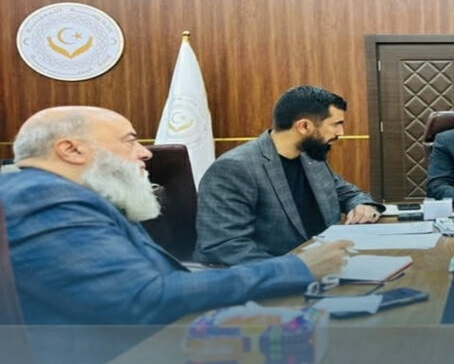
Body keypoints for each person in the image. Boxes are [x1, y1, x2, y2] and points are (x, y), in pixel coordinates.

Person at [0, 106, 351, 326]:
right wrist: (298, 268)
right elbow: (139, 299)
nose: (145, 153)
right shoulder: (42, 198)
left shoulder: (66, 194)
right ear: (71, 149)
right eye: (130, 141)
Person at [194, 86, 383, 265]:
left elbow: (348, 193)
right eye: (336, 124)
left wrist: (362, 206)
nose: (341, 132)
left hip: (326, 265)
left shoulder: (310, 156)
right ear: (304, 126)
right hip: (272, 275)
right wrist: (300, 267)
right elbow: (223, 246)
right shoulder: (234, 168)